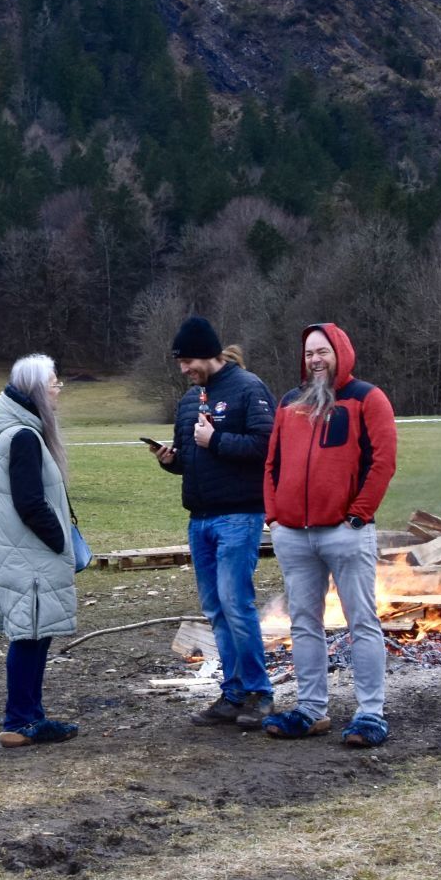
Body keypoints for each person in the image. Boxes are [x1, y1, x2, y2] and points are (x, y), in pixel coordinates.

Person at [259, 323, 399, 747]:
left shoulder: (366, 399)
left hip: (346, 533)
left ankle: (370, 714)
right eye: (308, 353)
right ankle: (310, 710)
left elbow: (383, 462)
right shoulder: (289, 403)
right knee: (304, 623)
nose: (315, 359)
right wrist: (274, 517)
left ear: (340, 351)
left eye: (322, 351)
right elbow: (272, 464)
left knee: (363, 622)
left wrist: (357, 516)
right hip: (294, 536)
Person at [154, 316, 278, 729]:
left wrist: (218, 440)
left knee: (236, 604)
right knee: (216, 610)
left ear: (208, 353)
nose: (184, 370)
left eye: (188, 361)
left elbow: (267, 446)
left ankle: (260, 695)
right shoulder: (190, 400)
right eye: (180, 364)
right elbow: (193, 460)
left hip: (239, 516)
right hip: (200, 519)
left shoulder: (248, 389)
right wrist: (171, 461)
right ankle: (232, 693)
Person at [0, 354, 81, 748]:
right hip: (30, 556)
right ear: (38, 389)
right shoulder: (23, 437)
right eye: (54, 384)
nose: (58, 391)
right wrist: (59, 540)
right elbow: (29, 502)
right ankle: (19, 720)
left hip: (24, 553)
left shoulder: (25, 432)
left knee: (35, 636)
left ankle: (31, 717)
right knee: (29, 638)